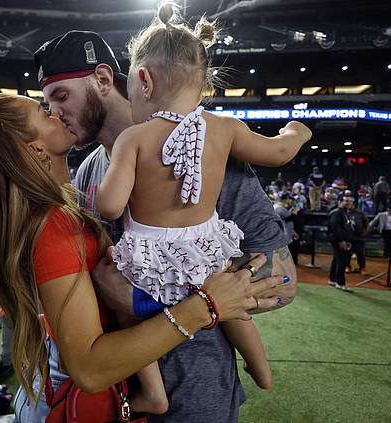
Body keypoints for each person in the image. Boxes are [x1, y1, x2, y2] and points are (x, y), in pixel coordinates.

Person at [0, 94, 288, 423]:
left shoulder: (52, 210)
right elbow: (90, 368)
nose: (55, 112)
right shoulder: (52, 224)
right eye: (44, 112)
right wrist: (206, 307)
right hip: (74, 401)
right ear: (37, 149)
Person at [35, 24, 298, 423]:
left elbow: (284, 282)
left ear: (105, 79)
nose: (54, 112)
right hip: (117, 397)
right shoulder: (88, 171)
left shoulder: (209, 152)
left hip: (197, 398)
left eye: (61, 96)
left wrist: (148, 303)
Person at [93, 5, 310, 412]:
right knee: (230, 311)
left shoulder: (134, 139)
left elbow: (109, 205)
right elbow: (279, 151)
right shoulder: (225, 128)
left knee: (126, 313)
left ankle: (153, 394)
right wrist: (296, 131)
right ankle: (262, 370)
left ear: (144, 79)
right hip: (206, 250)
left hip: (149, 258)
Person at [327, 197, 355, 291]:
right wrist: (341, 240)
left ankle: (333, 279)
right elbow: (335, 227)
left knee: (337, 259)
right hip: (338, 240)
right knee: (341, 260)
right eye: (346, 201)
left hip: (341, 240)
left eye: (350, 201)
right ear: (340, 202)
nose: (348, 203)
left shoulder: (344, 212)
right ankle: (340, 282)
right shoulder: (337, 212)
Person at [274, 193, 302, 265]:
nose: (290, 201)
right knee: (282, 256)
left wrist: (293, 232)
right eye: (289, 199)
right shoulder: (279, 208)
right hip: (283, 235)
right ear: (285, 199)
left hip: (285, 233)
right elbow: (289, 219)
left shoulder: (280, 207)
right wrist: (295, 211)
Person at [344, 196, 369, 275]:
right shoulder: (343, 213)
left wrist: (365, 232)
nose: (349, 204)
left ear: (354, 204)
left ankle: (362, 268)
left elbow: (367, 224)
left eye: (351, 203)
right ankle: (347, 266)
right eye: (347, 203)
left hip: (359, 236)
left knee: (360, 253)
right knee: (347, 253)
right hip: (348, 236)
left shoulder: (360, 213)